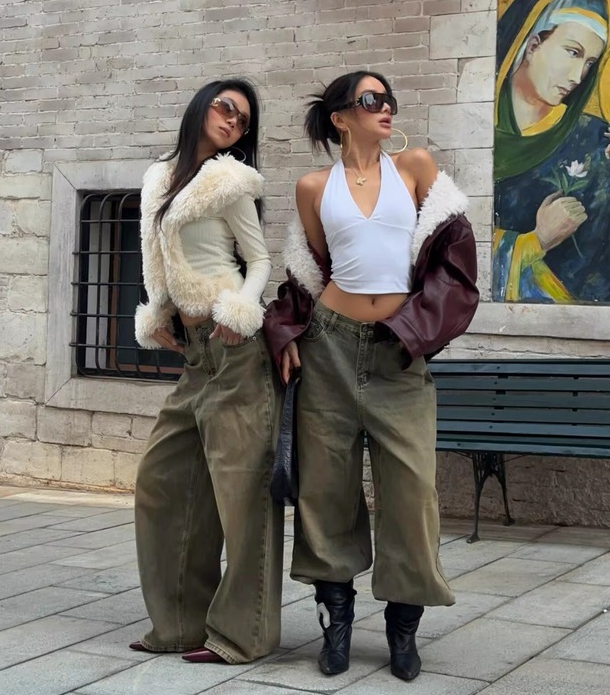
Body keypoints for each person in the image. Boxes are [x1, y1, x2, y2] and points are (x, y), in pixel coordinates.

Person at [264, 70, 479, 681]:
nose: (385, 107)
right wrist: (287, 332)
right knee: (326, 491)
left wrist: (418, 331)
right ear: (340, 117)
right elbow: (310, 272)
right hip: (329, 349)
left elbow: (455, 264)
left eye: (388, 99)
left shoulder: (416, 167)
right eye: (370, 99)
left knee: (412, 492)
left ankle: (403, 629)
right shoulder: (313, 187)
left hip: (398, 352)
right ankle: (336, 623)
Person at [131, 78, 283, 664]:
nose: (232, 121)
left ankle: (243, 635)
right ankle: (178, 624)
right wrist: (157, 312)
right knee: (162, 480)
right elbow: (159, 258)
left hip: (235, 350)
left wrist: (241, 312)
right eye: (225, 107)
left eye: (242, 120)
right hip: (196, 354)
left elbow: (260, 259)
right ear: (201, 106)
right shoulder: (159, 178)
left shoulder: (229, 181)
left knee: (241, 494)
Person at [493, 0, 610, 303]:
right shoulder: (473, 136)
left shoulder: (595, 143)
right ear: (532, 45)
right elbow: (446, 244)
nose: (577, 77)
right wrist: (536, 241)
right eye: (572, 52)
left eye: (589, 63)